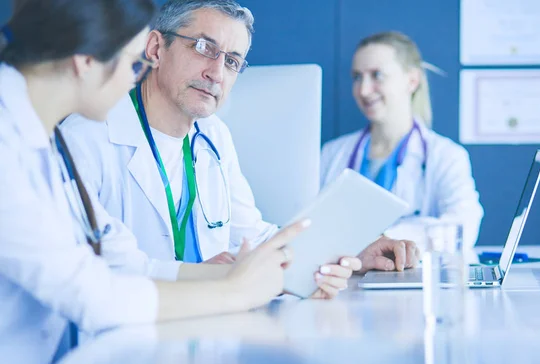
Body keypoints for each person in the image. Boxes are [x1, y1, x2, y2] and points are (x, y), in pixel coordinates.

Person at [0, 0, 357, 364]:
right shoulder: (20, 144)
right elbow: (90, 293)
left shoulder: (40, 136)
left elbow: (122, 259)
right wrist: (234, 292)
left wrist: (241, 276)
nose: (133, 78)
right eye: (133, 62)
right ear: (86, 60)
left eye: (233, 61)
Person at [60, 0, 420, 274]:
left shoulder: (213, 135)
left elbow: (254, 238)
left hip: (208, 325)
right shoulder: (86, 139)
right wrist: (202, 279)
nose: (217, 73)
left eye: (232, 61)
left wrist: (353, 250)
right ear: (156, 49)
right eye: (203, 47)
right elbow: (87, 271)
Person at [321, 31, 484, 248]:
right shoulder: (333, 153)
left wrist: (384, 238)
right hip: (344, 278)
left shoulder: (445, 156)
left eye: (377, 75)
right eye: (357, 77)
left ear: (411, 80)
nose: (364, 90)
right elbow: (309, 225)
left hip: (411, 277)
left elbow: (462, 227)